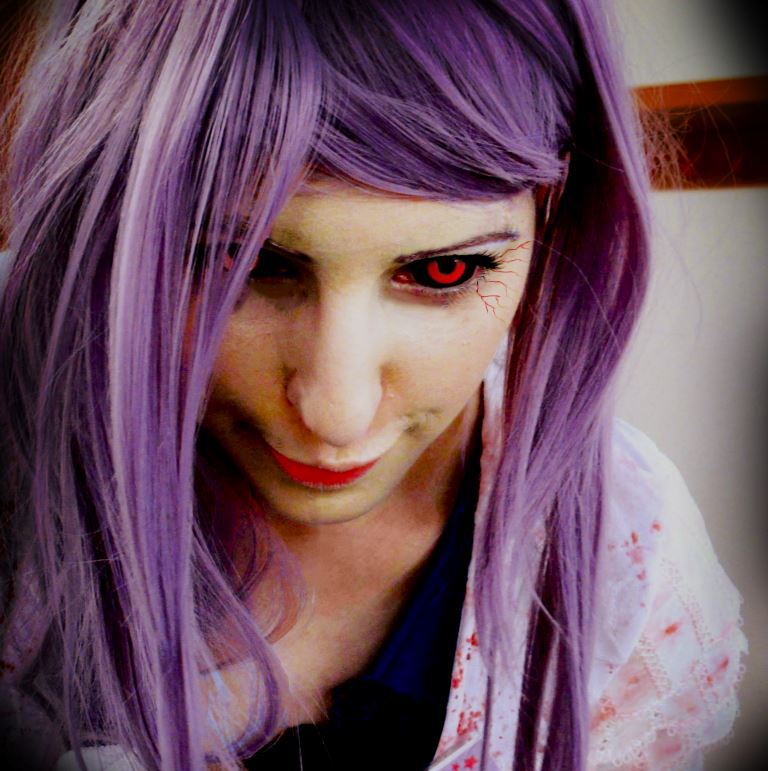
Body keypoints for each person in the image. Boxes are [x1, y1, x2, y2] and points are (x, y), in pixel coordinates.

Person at [0, 0, 747, 769]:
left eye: (445, 270)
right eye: (240, 262)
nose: (336, 412)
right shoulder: (19, 473)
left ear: (553, 221)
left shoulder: (627, 561)